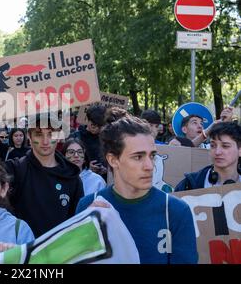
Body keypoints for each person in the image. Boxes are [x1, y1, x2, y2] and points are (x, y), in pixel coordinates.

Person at [76, 116, 197, 264]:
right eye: (138, 157)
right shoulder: (88, 206)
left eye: (152, 156)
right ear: (113, 160)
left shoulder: (176, 210)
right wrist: (85, 232)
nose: (150, 166)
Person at [0, 113, 83, 238]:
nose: (45, 141)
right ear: (29, 136)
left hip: (60, 252)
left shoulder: (71, 176)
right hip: (22, 250)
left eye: (50, 134)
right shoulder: (17, 168)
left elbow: (79, 220)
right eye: (39, 134)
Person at [175, 122, 241, 191]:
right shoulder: (188, 185)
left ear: (240, 150)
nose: (217, 152)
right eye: (213, 146)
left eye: (225, 146)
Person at [72, 104, 108, 178]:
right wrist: (88, 169)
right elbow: (70, 163)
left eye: (98, 125)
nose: (94, 127)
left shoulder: (108, 138)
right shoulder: (75, 137)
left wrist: (107, 169)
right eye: (92, 124)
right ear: (87, 120)